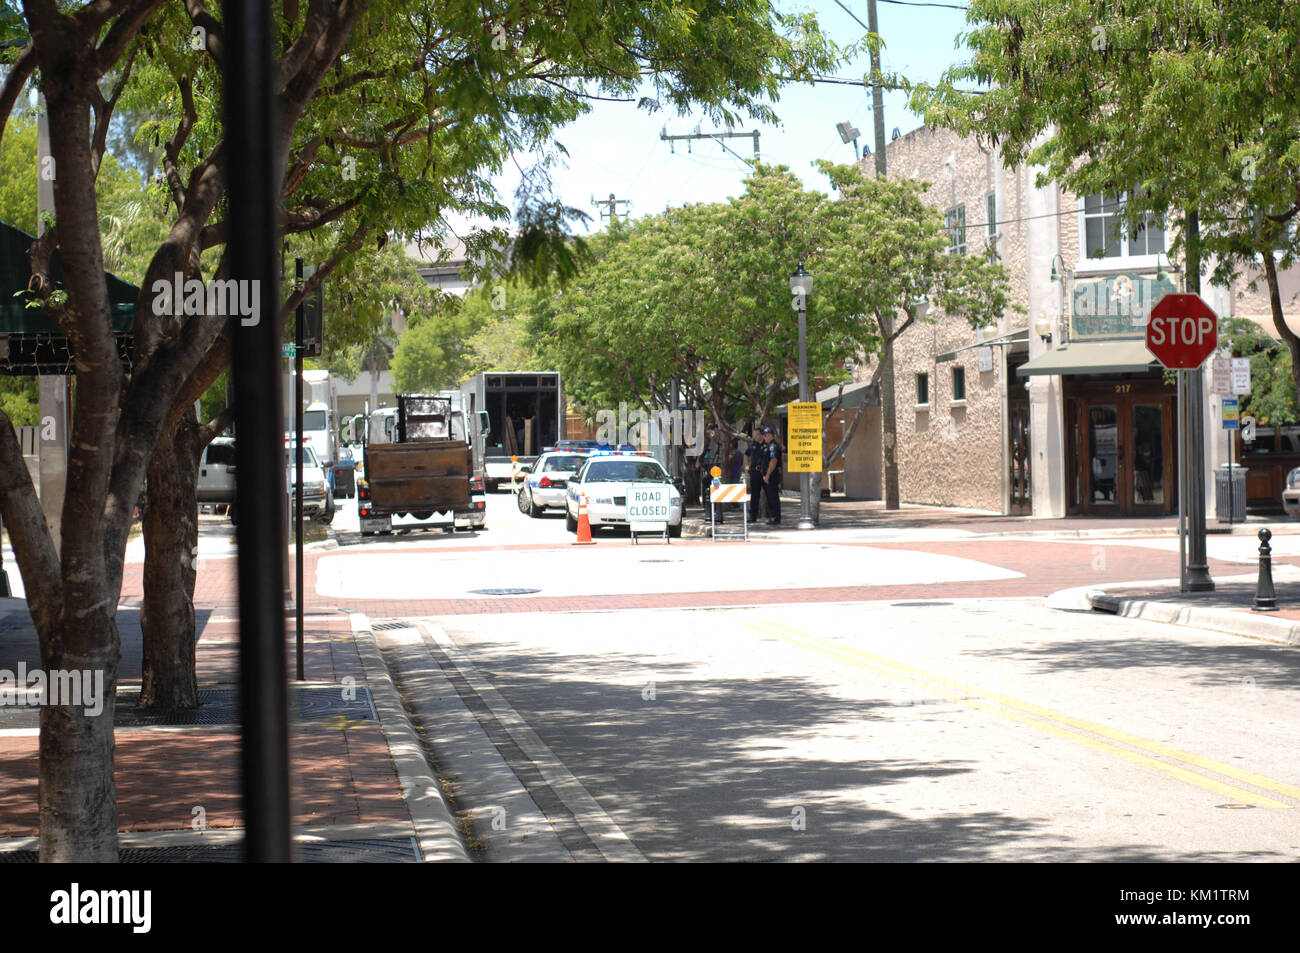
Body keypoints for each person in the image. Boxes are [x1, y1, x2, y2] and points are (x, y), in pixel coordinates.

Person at [759, 426, 783, 525]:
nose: (764, 437)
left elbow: (773, 461)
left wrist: (768, 474)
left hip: (772, 475)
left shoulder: (773, 446)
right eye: (764, 435)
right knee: (770, 497)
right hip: (768, 475)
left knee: (773, 497)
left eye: (766, 435)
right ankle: (773, 516)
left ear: (771, 435)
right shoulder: (768, 446)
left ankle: (775, 517)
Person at [745, 430, 766, 522]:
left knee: (770, 494)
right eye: (754, 435)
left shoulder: (767, 444)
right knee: (754, 495)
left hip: (765, 471)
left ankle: (773, 516)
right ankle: (753, 516)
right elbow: (746, 454)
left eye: (757, 434)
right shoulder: (753, 445)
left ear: (762, 435)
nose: (755, 437)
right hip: (755, 472)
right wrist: (747, 465)